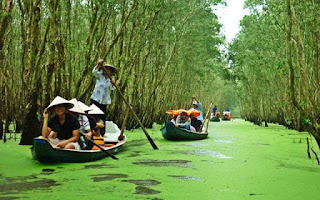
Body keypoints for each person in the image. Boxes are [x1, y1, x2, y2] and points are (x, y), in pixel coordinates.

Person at [90, 59, 117, 133]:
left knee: (102, 117)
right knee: (93, 116)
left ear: (111, 71)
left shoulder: (111, 80)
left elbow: (112, 88)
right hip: (95, 99)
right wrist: (98, 64)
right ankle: (91, 131)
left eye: (109, 70)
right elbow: (94, 72)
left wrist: (113, 83)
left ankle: (102, 133)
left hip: (104, 101)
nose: (107, 71)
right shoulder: (100, 76)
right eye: (106, 69)